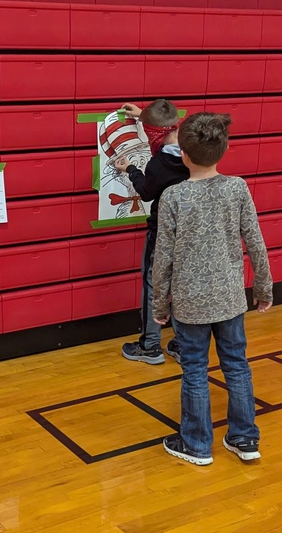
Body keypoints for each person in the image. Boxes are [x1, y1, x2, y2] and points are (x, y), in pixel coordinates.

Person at [151, 112, 272, 466]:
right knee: (236, 365)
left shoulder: (173, 197)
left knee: (194, 370)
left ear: (184, 154)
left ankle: (196, 444)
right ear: (224, 148)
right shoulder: (237, 188)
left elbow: (163, 258)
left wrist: (159, 304)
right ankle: (245, 438)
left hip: (189, 304)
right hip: (230, 299)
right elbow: (256, 242)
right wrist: (263, 286)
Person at [113, 98, 188, 365]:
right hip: (189, 233)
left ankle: (150, 346)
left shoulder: (158, 165)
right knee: (180, 286)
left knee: (153, 285)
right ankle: (183, 345)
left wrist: (131, 170)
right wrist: (143, 116)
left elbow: (146, 192)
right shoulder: (194, 150)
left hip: (162, 233)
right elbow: (167, 126)